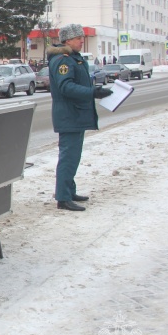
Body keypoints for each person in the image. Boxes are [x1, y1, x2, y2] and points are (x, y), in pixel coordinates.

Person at [47, 23, 112, 212]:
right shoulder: (63, 60)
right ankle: (63, 198)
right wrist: (94, 92)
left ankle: (69, 191)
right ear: (67, 40)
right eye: (78, 38)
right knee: (68, 157)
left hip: (75, 114)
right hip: (69, 115)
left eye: (82, 38)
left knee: (73, 157)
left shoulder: (74, 58)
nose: (81, 41)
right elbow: (65, 87)